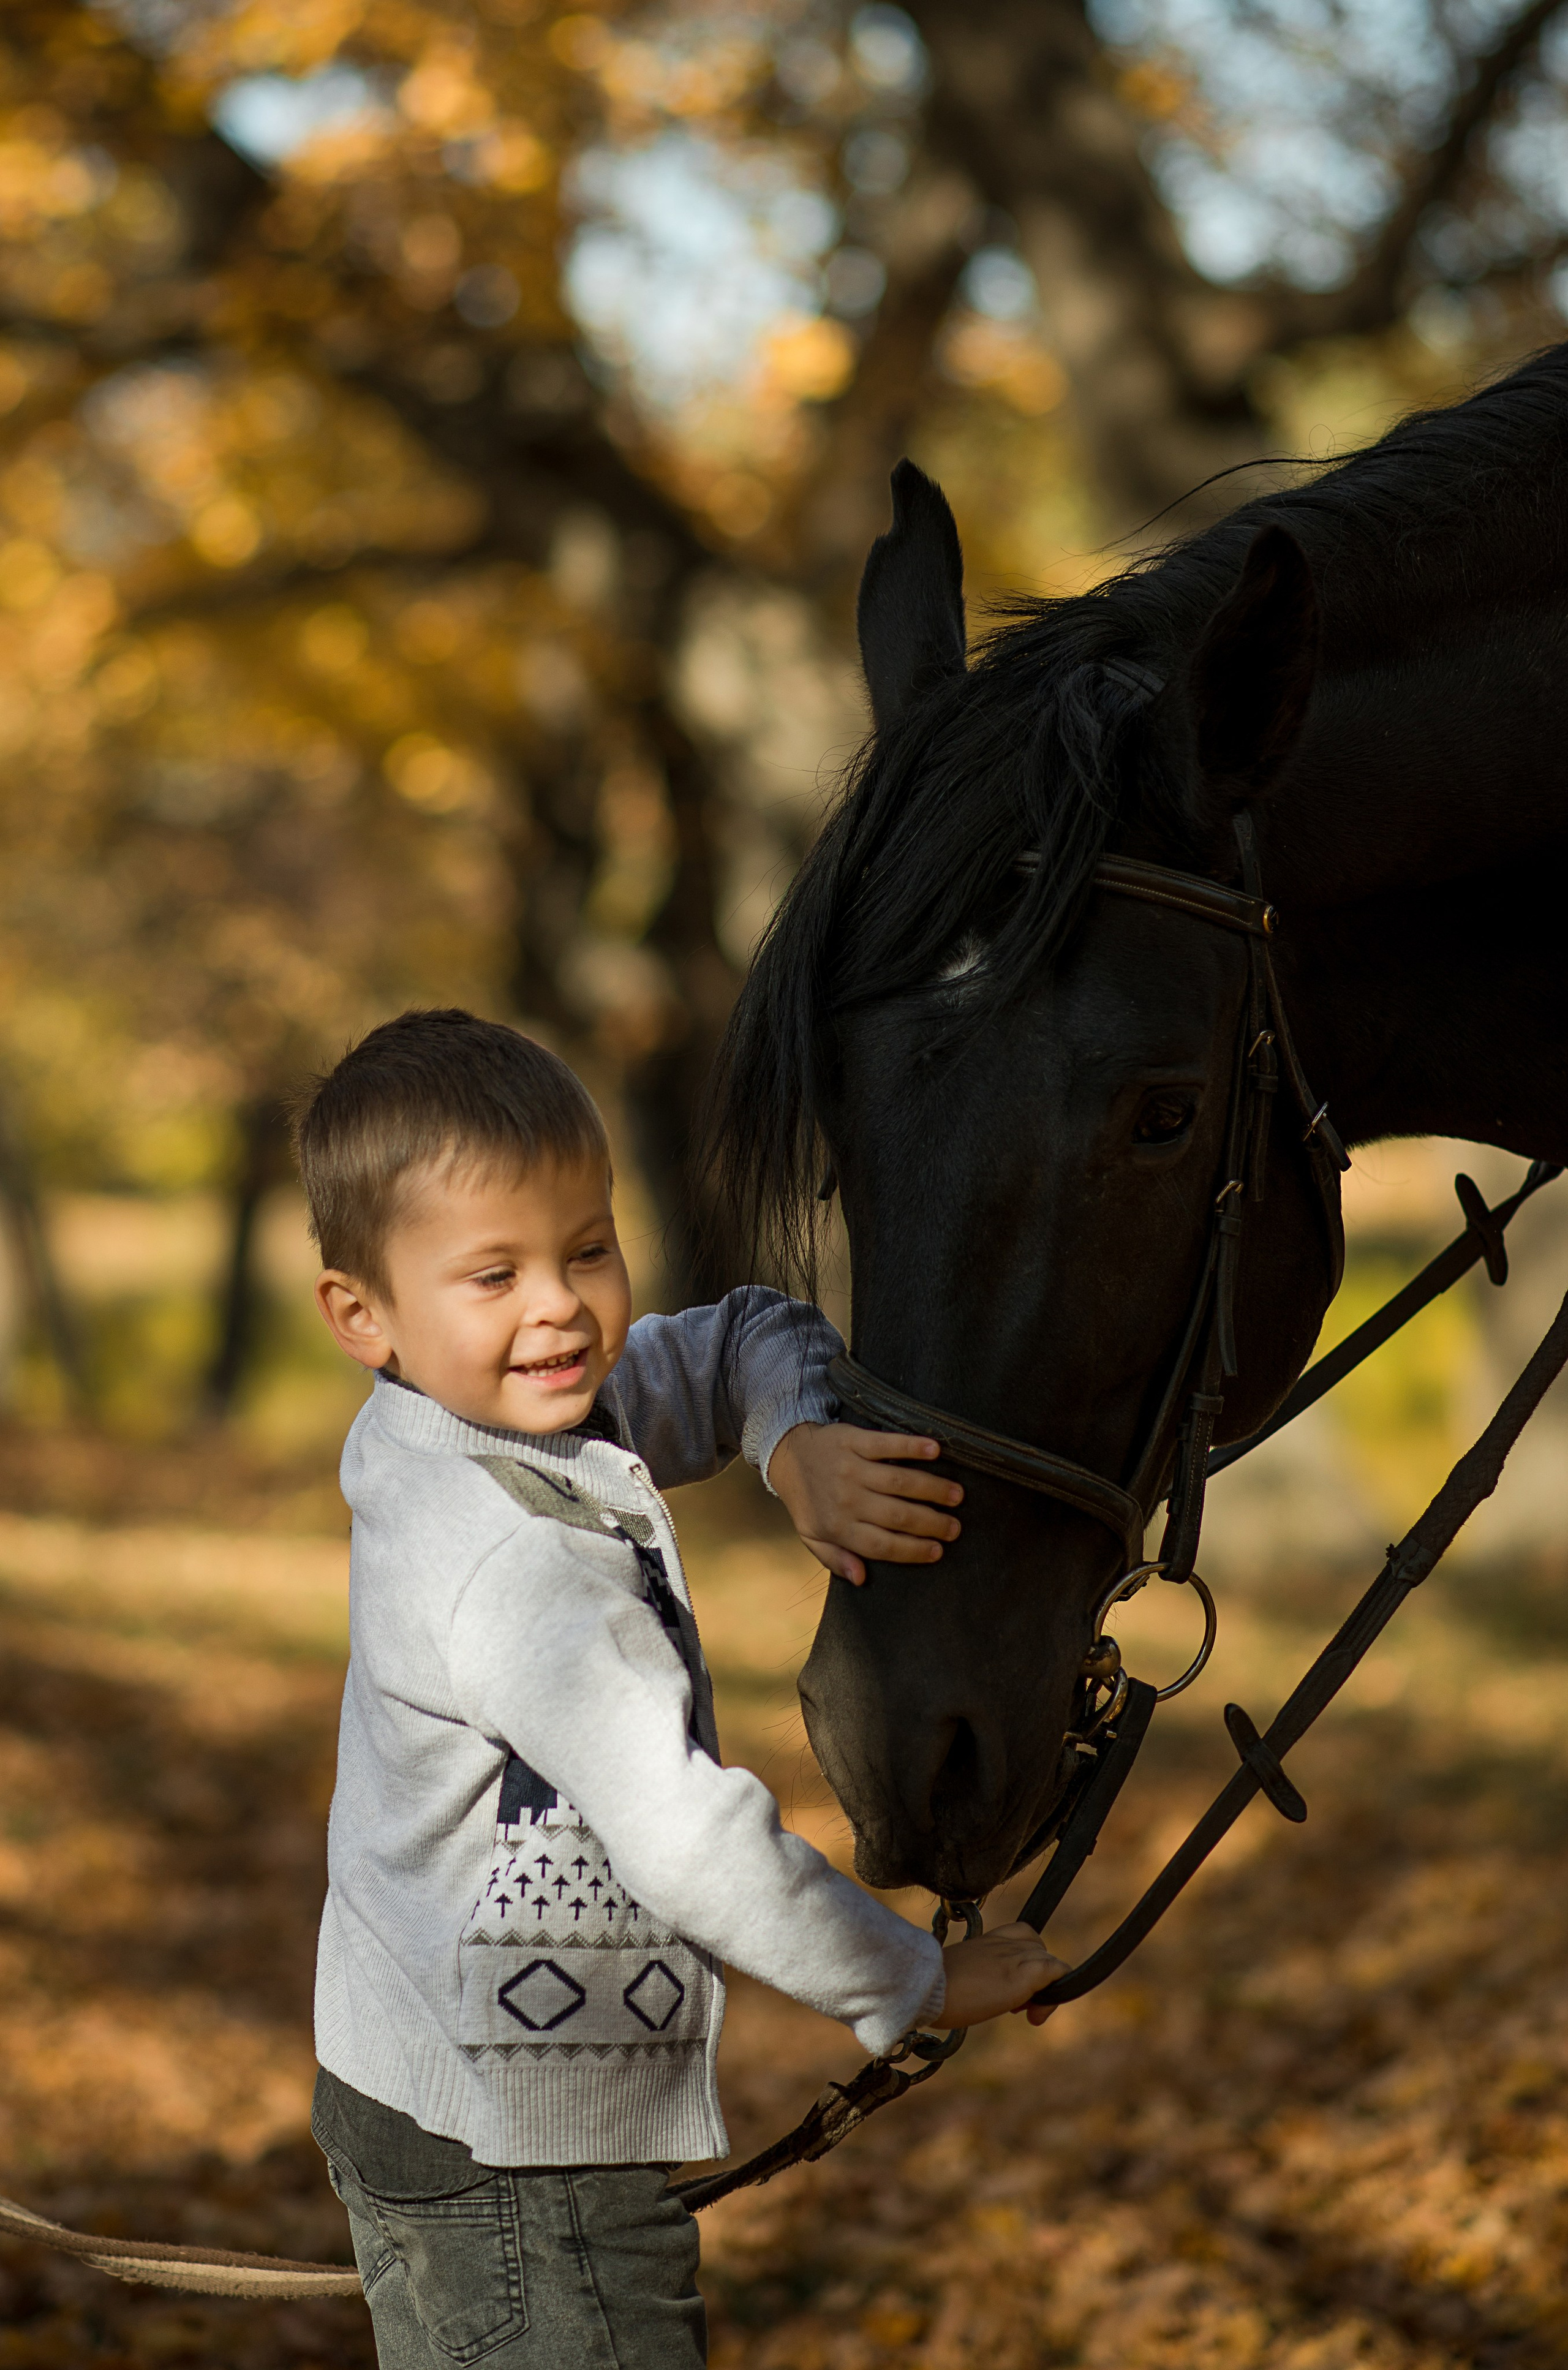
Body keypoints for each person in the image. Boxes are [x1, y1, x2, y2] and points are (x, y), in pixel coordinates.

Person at [295, 1007, 1063, 2369]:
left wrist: (795, 1446)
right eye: (493, 1274)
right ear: (363, 1316)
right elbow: (688, 1839)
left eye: (587, 1247)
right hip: (520, 2167)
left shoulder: (499, 1416)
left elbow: (740, 1334)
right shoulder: (506, 1558)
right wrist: (911, 1981)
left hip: (419, 2085)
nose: (560, 1305)